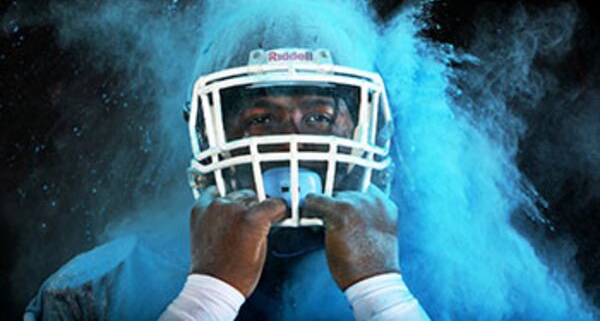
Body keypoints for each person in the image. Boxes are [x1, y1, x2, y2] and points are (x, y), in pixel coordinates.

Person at [25, 46, 430, 320]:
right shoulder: (96, 288)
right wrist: (209, 294)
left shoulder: (444, 271)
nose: (292, 141)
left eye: (319, 118)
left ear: (364, 130)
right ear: (211, 132)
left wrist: (381, 289)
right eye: (261, 119)